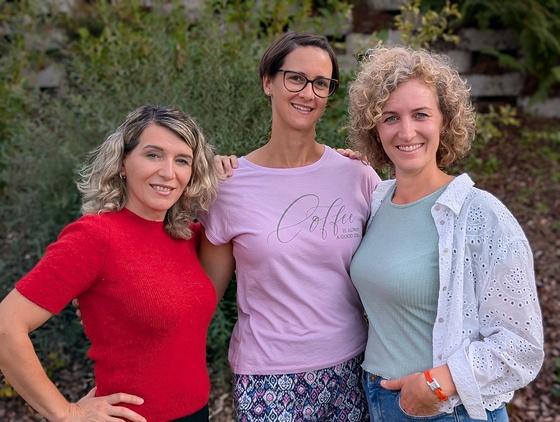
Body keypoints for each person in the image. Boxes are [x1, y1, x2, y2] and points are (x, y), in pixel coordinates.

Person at [347, 46, 544, 421]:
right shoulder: (374, 201)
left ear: (445, 121)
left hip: (445, 408)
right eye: (390, 117)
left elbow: (522, 345)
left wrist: (437, 384)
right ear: (374, 127)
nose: (406, 131)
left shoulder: (480, 215)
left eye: (421, 114)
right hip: (376, 400)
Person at [197, 32, 381, 421]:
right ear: (268, 82)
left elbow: (393, 270)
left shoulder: (357, 176)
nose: (308, 93)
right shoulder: (228, 186)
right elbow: (200, 298)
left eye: (321, 83)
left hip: (353, 367)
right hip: (267, 377)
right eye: (295, 78)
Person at [0, 104, 219, 422]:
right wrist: (65, 412)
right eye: (153, 155)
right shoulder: (94, 237)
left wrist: (232, 170)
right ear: (122, 163)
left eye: (182, 160)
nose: (168, 172)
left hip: (198, 413)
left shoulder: (187, 236)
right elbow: (6, 326)